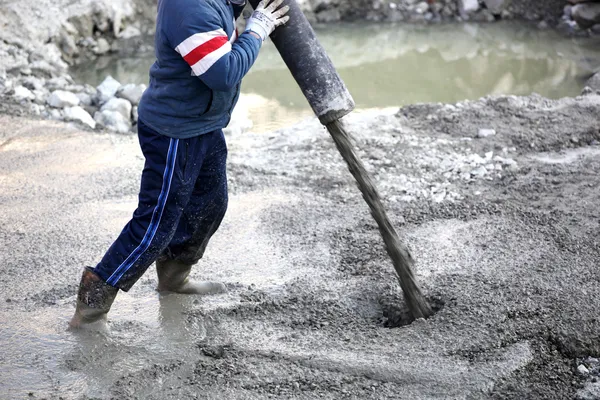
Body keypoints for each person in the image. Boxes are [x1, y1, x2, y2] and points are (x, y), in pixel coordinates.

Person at [69, 0, 290, 329]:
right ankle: (92, 306)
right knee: (155, 226)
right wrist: (257, 29)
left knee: (211, 204)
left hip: (203, 125)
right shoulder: (189, 5)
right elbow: (223, 73)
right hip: (174, 133)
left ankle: (174, 276)